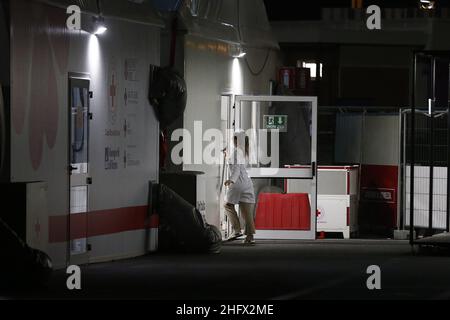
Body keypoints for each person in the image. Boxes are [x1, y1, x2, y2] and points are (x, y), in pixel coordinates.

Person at [223, 131, 256, 245]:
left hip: (238, 183)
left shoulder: (237, 153)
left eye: (234, 139)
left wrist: (231, 180)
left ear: (237, 140)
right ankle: (250, 237)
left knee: (227, 205)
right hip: (247, 184)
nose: (233, 141)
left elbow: (236, 169)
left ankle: (237, 230)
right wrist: (227, 156)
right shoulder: (245, 152)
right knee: (247, 212)